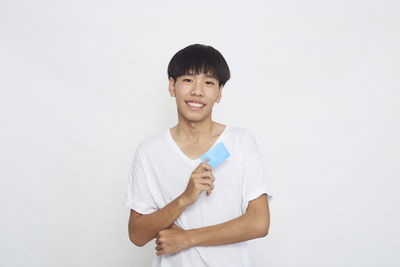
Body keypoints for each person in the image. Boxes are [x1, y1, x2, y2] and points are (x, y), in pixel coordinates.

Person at [125, 43, 272, 267]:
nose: (197, 91)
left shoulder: (240, 142)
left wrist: (187, 238)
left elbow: (259, 222)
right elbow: (137, 234)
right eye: (188, 80)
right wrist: (185, 198)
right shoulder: (149, 151)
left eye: (209, 82)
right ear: (172, 86)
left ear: (219, 92)